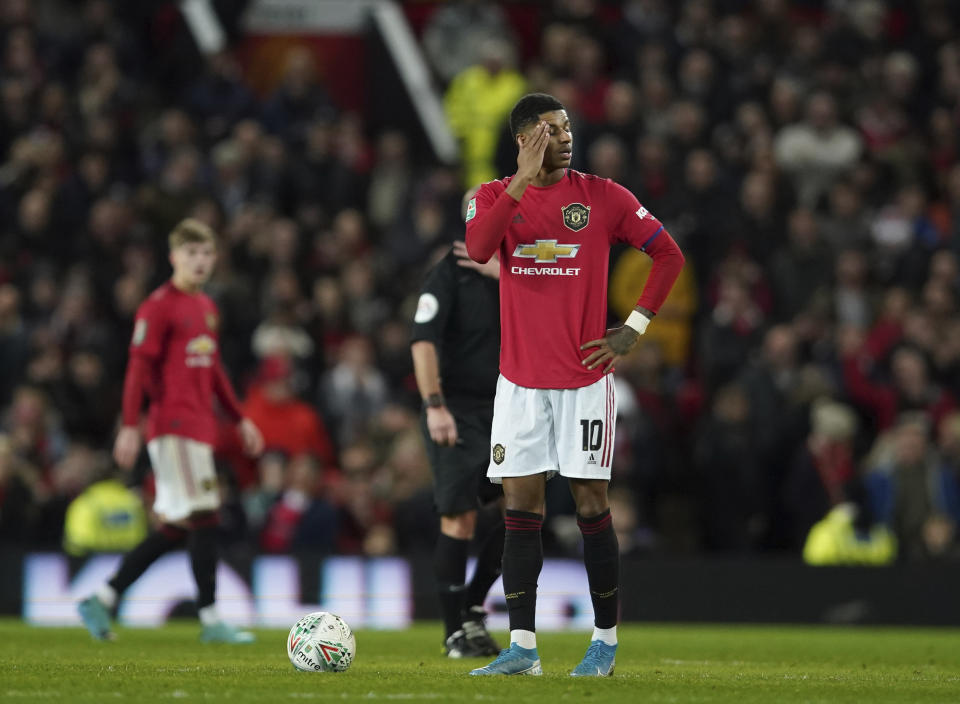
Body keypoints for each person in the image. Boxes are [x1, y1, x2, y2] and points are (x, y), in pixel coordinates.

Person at [464, 93, 684, 676]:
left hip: (585, 380)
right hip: (519, 385)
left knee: (591, 504)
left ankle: (605, 642)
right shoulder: (489, 197)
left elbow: (668, 254)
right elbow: (480, 247)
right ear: (523, 140)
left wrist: (633, 328)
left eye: (566, 128)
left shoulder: (603, 197)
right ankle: (523, 650)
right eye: (551, 130)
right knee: (519, 510)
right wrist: (519, 183)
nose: (565, 137)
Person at [78, 218, 264, 643]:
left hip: (200, 427)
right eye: (190, 253)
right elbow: (137, 368)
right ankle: (212, 619)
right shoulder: (158, 306)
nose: (199, 261)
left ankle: (103, 598)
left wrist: (240, 418)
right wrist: (129, 425)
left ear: (215, 258)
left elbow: (213, 369)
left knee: (180, 524)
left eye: (206, 253)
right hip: (173, 425)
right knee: (205, 514)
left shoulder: (207, 309)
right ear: (173, 256)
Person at [411, 191, 505, 658]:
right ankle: (454, 633)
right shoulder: (448, 272)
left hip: (511, 407)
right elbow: (422, 341)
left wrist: (504, 274)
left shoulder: (520, 269)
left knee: (524, 511)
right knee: (460, 516)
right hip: (458, 410)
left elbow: (558, 312)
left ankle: (470, 608)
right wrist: (434, 405)